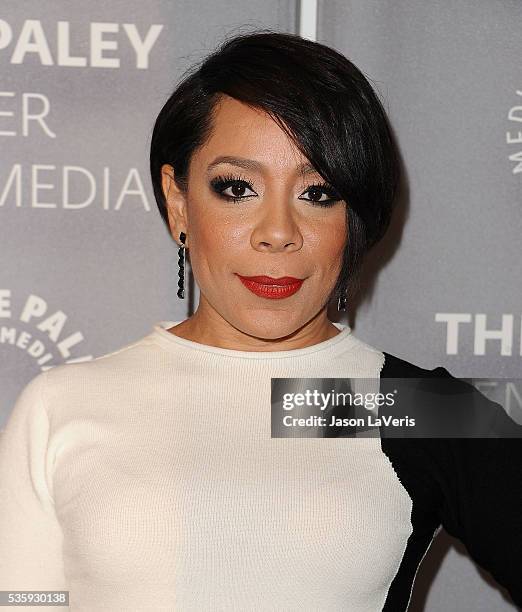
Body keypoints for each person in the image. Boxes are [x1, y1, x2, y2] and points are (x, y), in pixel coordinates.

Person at [1, 30, 521, 612]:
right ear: (178, 202)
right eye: (237, 188)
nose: (278, 231)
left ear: (356, 221)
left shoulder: (400, 404)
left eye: (318, 193)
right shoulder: (64, 405)